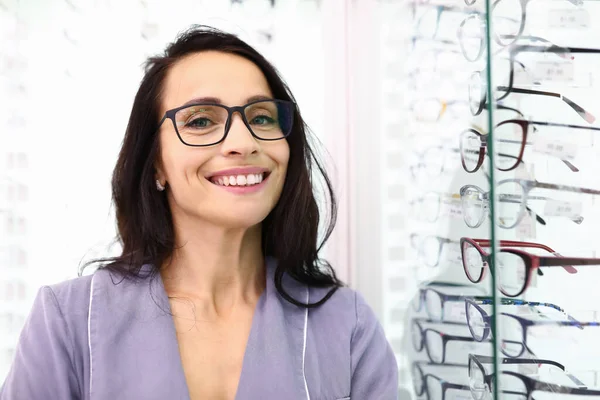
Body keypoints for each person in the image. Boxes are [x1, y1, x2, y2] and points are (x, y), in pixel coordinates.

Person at [0, 25, 398, 400]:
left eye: (261, 117)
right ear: (156, 163)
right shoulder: (66, 321)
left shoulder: (349, 326)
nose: (243, 142)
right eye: (202, 121)